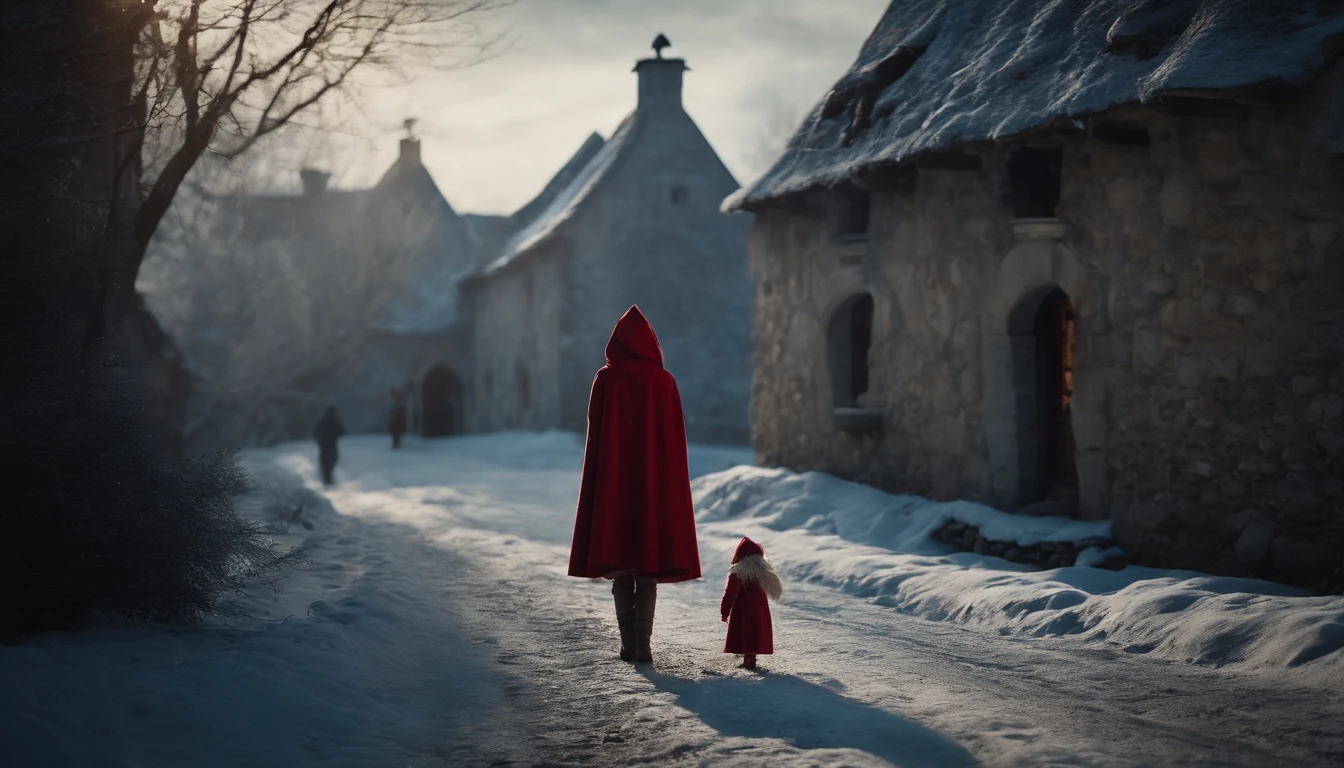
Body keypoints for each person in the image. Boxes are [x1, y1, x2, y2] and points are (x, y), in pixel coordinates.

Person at [568, 306, 701, 663]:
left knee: (620, 566)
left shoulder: (605, 380)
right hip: (651, 482)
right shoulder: (663, 381)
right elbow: (673, 440)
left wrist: (603, 475)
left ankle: (629, 643)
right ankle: (642, 643)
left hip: (613, 482)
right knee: (647, 567)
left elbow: (595, 434)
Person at [720, 536, 782, 670]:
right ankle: (751, 658)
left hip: (743, 610)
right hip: (760, 610)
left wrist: (725, 610)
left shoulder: (738, 572)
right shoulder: (764, 573)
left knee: (745, 632)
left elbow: (731, 593)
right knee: (754, 633)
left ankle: (748, 660)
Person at [312, 405, 346, 487]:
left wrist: (319, 439)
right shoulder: (335, 421)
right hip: (331, 445)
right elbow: (343, 431)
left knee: (325, 464)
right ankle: (328, 480)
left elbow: (315, 432)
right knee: (331, 462)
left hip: (323, 446)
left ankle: (326, 480)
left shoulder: (322, 421)